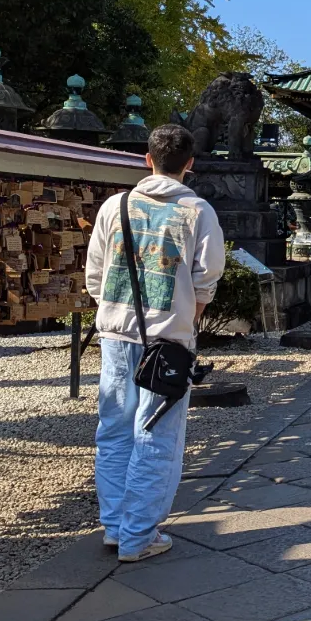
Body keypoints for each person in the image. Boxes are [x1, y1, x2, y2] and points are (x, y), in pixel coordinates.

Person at [84, 124, 225, 563]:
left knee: (113, 431)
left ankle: (114, 526)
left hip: (115, 333)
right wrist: (187, 316)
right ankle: (139, 534)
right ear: (190, 164)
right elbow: (207, 278)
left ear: (146, 159)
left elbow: (95, 275)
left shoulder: (115, 206)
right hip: (167, 339)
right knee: (155, 433)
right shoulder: (197, 210)